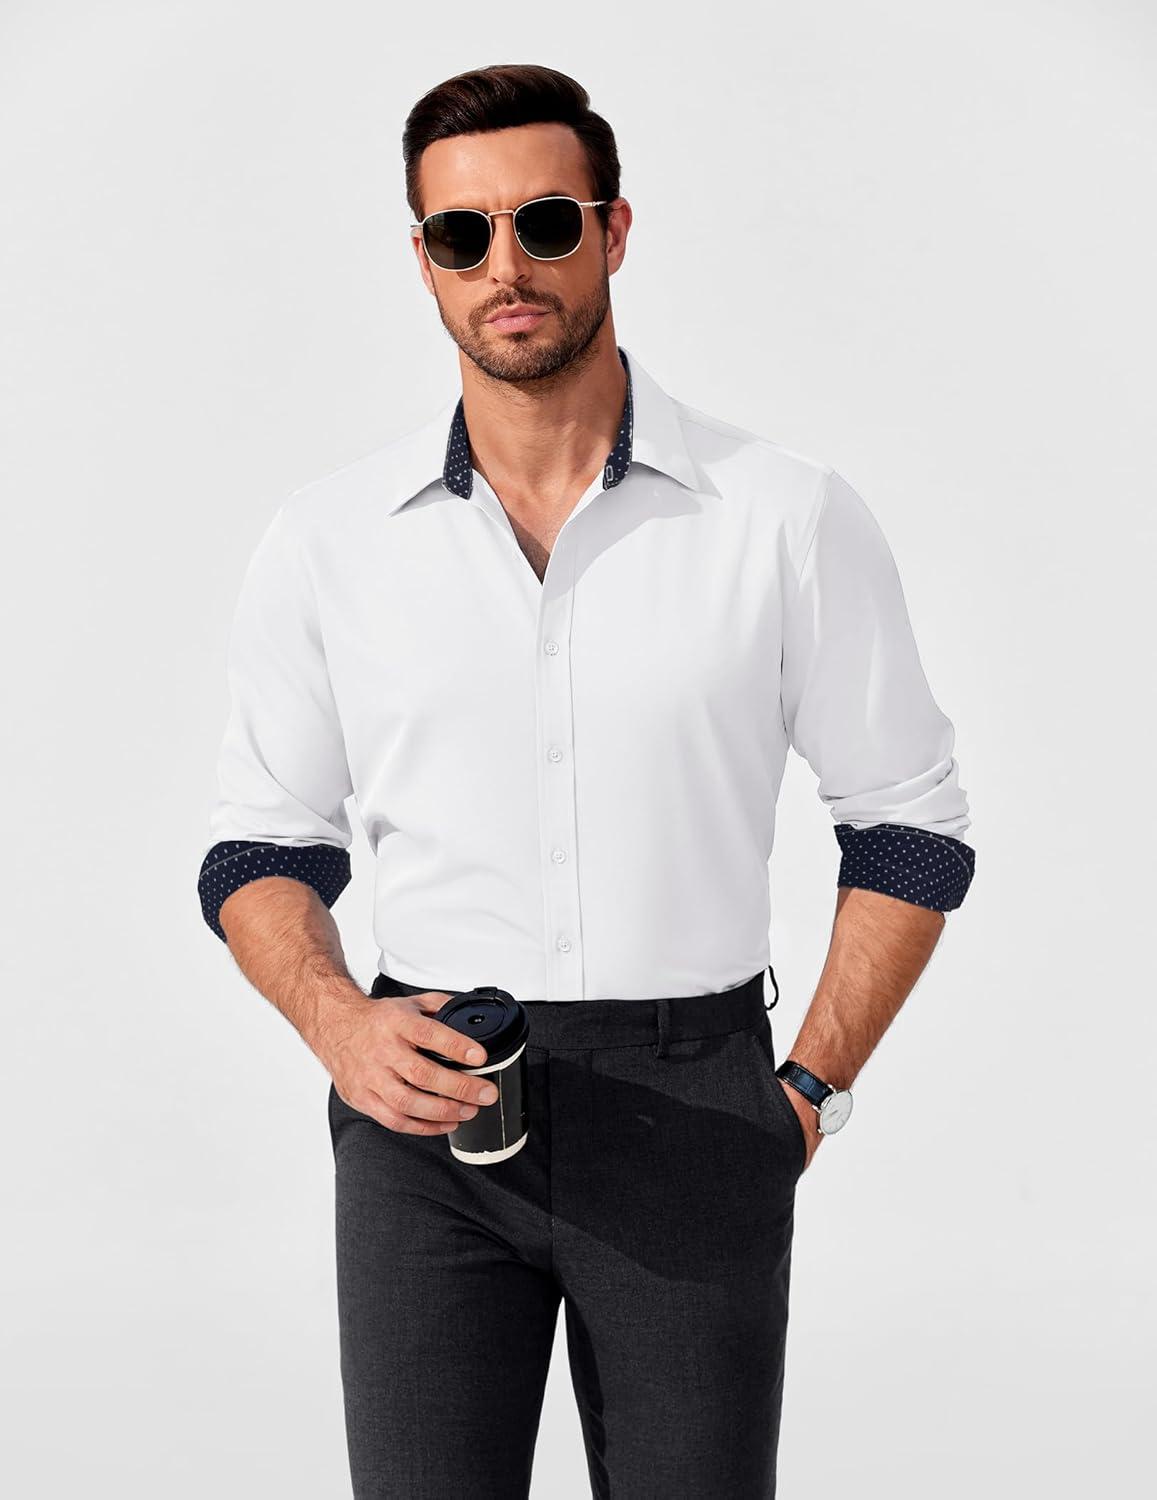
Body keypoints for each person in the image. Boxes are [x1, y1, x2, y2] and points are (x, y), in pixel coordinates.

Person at [196, 62, 975, 1500]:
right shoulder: (329, 542)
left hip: (696, 1108)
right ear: (424, 261)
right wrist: (336, 1024)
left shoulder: (780, 516)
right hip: (424, 1109)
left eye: (544, 222)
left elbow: (910, 829)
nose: (506, 266)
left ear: (613, 231)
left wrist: (808, 1086)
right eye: (462, 234)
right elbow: (260, 850)